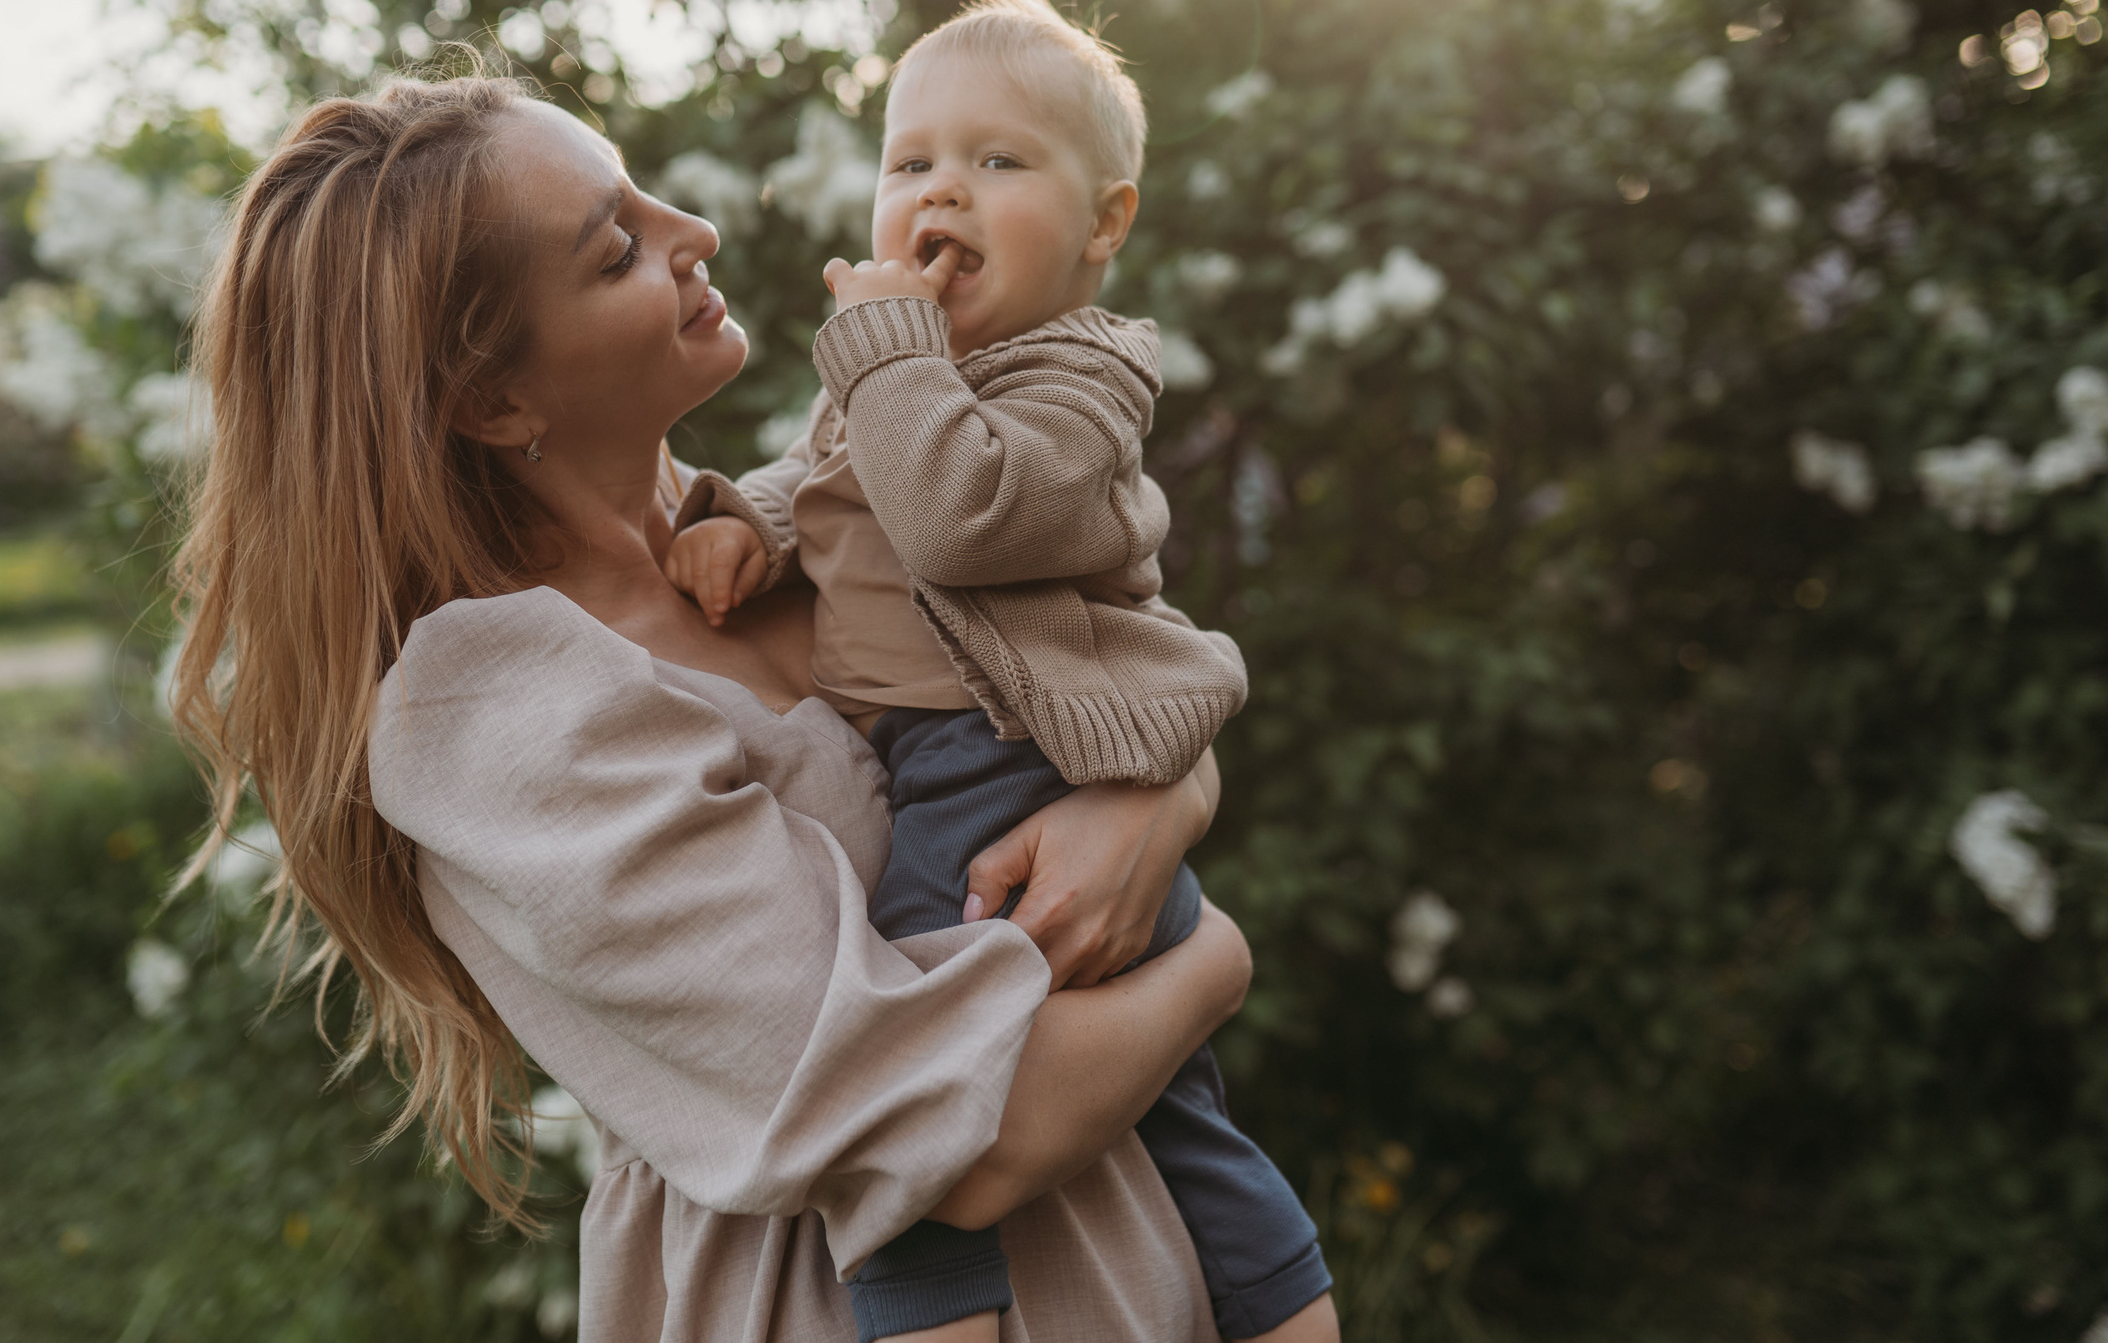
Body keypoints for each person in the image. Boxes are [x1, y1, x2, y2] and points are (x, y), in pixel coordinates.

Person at [166, 67, 1323, 1340]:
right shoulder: (501, 714)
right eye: (617, 249)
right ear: (494, 400)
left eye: (645, 193)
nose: (697, 232)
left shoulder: (790, 537)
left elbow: (1104, 666)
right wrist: (1211, 959)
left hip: (1144, 1270)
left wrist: (1157, 800)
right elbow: (949, 1140)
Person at [663, 0, 1333, 1343]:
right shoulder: (890, 378)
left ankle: (935, 1314)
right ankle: (1283, 1308)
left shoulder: (1082, 376)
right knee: (1173, 1112)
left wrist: (885, 355)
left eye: (999, 161)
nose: (943, 192)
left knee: (909, 1061)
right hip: (945, 754)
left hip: (1010, 760)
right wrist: (751, 523)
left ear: (1105, 222)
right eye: (910, 163)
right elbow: (822, 475)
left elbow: (963, 515)